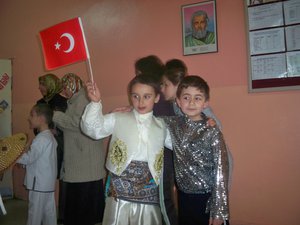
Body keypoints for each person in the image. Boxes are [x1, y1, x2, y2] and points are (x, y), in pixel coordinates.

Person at [81, 74, 167, 225]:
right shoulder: (118, 117)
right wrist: (95, 103)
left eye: (147, 96)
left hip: (149, 187)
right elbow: (93, 130)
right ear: (130, 96)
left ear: (157, 97)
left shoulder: (163, 126)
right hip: (119, 186)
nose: (140, 102)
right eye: (135, 96)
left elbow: (182, 143)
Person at [163, 76, 230, 225]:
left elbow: (221, 171)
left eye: (197, 98)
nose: (191, 103)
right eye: (186, 98)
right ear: (178, 102)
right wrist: (130, 110)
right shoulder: (173, 124)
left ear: (205, 103)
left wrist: (218, 210)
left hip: (207, 197)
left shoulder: (212, 131)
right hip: (184, 196)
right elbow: (149, 119)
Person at [52, 73, 106, 225]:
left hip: (85, 164)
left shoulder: (83, 98)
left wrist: (56, 116)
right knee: (83, 210)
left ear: (72, 85)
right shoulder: (77, 99)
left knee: (82, 210)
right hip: (82, 162)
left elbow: (78, 124)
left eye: (65, 87)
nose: (64, 91)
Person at [17, 103, 57, 225]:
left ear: (41, 119)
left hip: (38, 184)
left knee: (35, 214)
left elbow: (29, 158)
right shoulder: (49, 137)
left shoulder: (41, 139)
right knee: (49, 213)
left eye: (32, 115)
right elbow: (38, 160)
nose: (29, 118)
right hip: (47, 184)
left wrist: (15, 156)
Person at [36, 73, 67, 223]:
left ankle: (62, 214)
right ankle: (44, 212)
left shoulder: (63, 101)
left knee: (62, 178)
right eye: (40, 84)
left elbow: (68, 124)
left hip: (61, 146)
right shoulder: (40, 103)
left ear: (50, 84)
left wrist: (57, 131)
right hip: (44, 146)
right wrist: (44, 130)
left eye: (43, 84)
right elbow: (35, 125)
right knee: (45, 177)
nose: (40, 87)